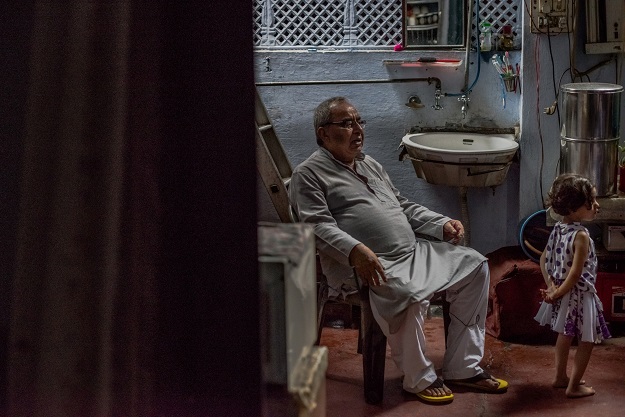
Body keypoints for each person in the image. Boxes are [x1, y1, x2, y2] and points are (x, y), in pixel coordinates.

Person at [289, 96, 508, 404]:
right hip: (370, 264)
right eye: (346, 123)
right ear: (323, 133)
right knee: (410, 293)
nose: (357, 130)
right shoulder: (308, 175)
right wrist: (355, 250)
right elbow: (316, 227)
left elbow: (402, 206)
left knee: (474, 265)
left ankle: (463, 367)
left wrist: (440, 223)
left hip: (414, 252)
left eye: (359, 121)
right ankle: (418, 377)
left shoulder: (369, 163)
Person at [534, 173, 611, 398]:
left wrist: (552, 287)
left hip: (563, 293)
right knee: (586, 340)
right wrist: (557, 291)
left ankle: (560, 377)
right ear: (575, 207)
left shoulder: (558, 228)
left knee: (564, 335)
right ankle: (574, 386)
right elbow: (576, 274)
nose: (597, 205)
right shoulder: (581, 236)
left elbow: (543, 259)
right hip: (580, 296)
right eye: (592, 202)